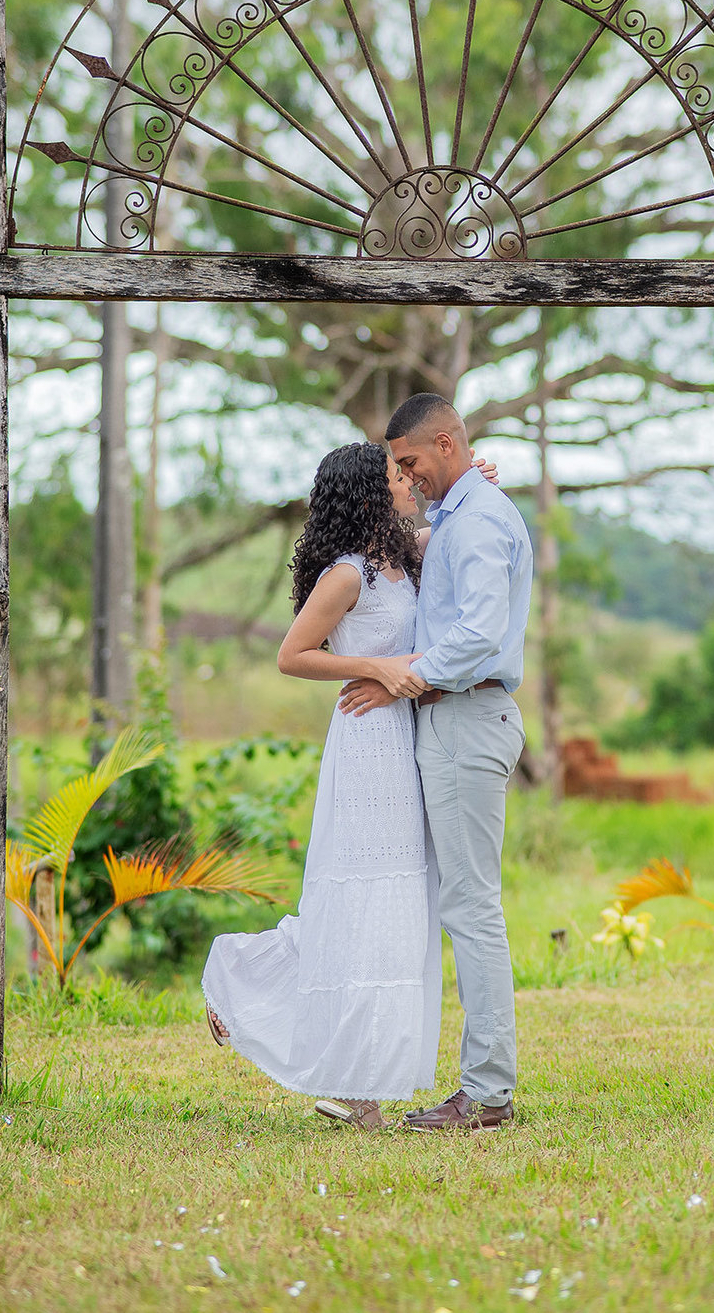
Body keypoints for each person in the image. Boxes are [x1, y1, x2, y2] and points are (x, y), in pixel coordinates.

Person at [201, 439, 494, 1132]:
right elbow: (292, 656)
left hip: (409, 740)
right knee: (362, 901)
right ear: (369, 490)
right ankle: (263, 1008)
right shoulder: (347, 574)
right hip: (367, 747)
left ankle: (352, 1080)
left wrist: (477, 478)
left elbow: (453, 526)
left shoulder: (408, 556)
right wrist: (377, 668)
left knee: (394, 911)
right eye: (397, 475)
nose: (408, 482)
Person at [339, 393, 533, 1133]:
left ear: (446, 444)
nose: (407, 476)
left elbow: (480, 633)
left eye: (412, 462)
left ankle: (486, 1093)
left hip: (464, 716)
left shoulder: (478, 519)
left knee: (472, 907)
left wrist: (403, 677)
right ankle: (484, 1086)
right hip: (456, 719)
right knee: (466, 903)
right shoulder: (464, 513)